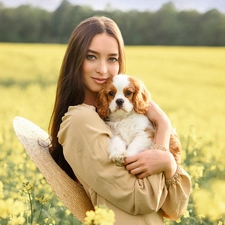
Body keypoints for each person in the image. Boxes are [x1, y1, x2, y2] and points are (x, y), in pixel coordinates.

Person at [49, 16, 191, 225]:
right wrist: (162, 127)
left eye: (112, 59)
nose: (103, 70)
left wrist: (169, 163)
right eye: (91, 56)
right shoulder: (80, 120)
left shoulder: (127, 117)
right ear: (75, 61)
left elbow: (175, 208)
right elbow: (143, 199)